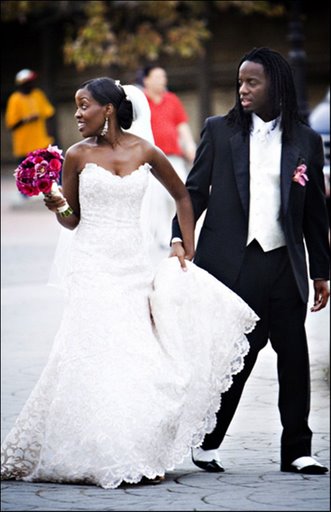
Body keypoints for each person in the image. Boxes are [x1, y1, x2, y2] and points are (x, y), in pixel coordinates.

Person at [1, 77, 259, 489]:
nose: (77, 114)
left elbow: (185, 195)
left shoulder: (145, 150)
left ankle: (132, 447)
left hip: (131, 266)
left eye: (84, 105)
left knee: (133, 355)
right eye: (75, 105)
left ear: (107, 109)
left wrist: (184, 245)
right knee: (92, 352)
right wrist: (57, 205)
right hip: (92, 265)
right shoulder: (76, 155)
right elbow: (72, 221)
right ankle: (95, 449)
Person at [171, 47, 330, 475]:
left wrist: (321, 271)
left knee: (294, 358)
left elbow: (315, 211)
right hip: (232, 268)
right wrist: (178, 238)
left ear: (275, 86)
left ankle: (298, 450)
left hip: (284, 266)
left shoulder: (306, 140)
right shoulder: (219, 131)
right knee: (236, 359)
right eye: (240, 81)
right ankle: (207, 442)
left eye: (252, 82)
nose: (242, 89)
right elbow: (194, 192)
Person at [142, 64, 197, 249]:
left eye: (163, 77)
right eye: (157, 77)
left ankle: (179, 232)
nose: (162, 80)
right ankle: (163, 235)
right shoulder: (141, 102)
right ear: (146, 80)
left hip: (174, 157)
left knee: (179, 194)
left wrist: (190, 146)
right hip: (150, 160)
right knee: (156, 199)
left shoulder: (172, 100)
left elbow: (182, 126)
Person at [5, 69, 56, 201]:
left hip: (40, 140)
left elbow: (49, 113)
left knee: (47, 168)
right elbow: (11, 124)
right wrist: (26, 119)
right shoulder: (14, 100)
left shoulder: (38, 95)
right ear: (22, 84)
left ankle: (48, 191)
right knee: (25, 172)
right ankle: (25, 195)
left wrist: (51, 133)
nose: (32, 84)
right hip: (24, 144)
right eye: (29, 82)